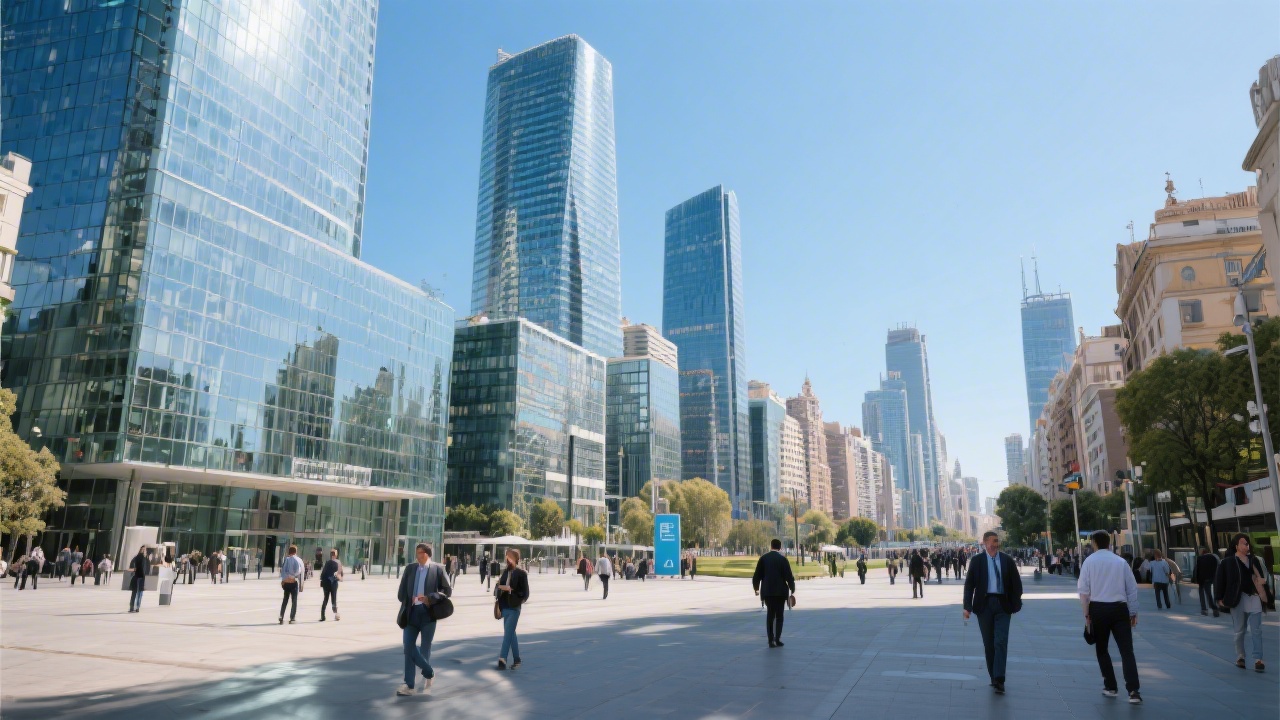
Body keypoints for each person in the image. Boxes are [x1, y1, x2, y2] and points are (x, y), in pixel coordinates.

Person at [1078, 530, 1142, 704]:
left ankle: (1111, 686)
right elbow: (1131, 589)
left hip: (1098, 609)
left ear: (1094, 543)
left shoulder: (1089, 562)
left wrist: (1086, 616)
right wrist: (1133, 611)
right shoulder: (1121, 562)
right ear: (1109, 543)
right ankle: (1133, 690)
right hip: (1120, 609)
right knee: (1126, 650)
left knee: (1102, 649)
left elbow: (1084, 592)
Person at [963, 531, 1023, 695]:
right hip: (984, 606)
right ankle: (993, 676)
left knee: (1001, 641)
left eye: (997, 541)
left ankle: (999, 678)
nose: (995, 544)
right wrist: (967, 606)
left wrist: (1015, 603)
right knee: (989, 644)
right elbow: (969, 586)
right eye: (992, 541)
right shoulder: (977, 561)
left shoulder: (1007, 561)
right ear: (984, 543)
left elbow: (1016, 584)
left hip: (1003, 606)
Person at [397, 542, 452, 696]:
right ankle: (419, 678)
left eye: (419, 552)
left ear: (426, 554)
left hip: (428, 614)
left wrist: (429, 598)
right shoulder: (410, 569)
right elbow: (401, 593)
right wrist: (408, 599)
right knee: (408, 646)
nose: (416, 555)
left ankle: (422, 678)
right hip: (411, 613)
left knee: (425, 647)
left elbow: (447, 591)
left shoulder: (437, 569)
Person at [1214, 533, 1269, 673]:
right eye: (1244, 543)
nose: (1247, 545)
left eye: (1247, 543)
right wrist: (1219, 597)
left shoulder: (1255, 560)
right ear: (1236, 545)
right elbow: (1220, 580)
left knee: (1256, 630)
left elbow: (1264, 577)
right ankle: (1240, 657)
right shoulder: (1228, 562)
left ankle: (1258, 659)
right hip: (1238, 599)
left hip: (1254, 597)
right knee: (1240, 631)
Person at [752, 539, 796, 648]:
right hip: (781, 592)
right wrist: (792, 588)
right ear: (780, 547)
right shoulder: (783, 560)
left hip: (768, 591)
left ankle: (770, 640)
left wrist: (756, 588)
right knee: (780, 616)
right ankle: (778, 638)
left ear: (770, 546)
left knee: (770, 615)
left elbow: (757, 575)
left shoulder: (763, 559)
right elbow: (789, 576)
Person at [495, 548, 530, 670]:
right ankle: (517, 659)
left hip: (514, 608)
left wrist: (513, 592)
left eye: (509, 557)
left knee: (507, 634)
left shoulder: (521, 573)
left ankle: (502, 659)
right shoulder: (505, 572)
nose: (507, 559)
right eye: (506, 557)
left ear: (515, 558)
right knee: (511, 634)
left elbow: (525, 593)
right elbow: (499, 586)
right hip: (505, 607)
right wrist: (499, 587)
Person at [278, 545, 304, 624]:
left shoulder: (287, 559)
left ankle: (281, 616)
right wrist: (300, 584)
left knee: (285, 600)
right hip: (294, 582)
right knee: (294, 600)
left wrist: (284, 579)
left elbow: (283, 571)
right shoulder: (298, 560)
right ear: (295, 551)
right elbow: (300, 571)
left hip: (287, 583)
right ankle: (292, 618)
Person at [1193, 547, 1220, 617]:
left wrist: (1196, 579)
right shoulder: (1213, 558)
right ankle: (1214, 608)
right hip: (1211, 578)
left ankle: (1204, 609)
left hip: (1202, 579)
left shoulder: (1200, 559)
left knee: (1201, 593)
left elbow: (1197, 570)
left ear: (1202, 552)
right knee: (1209, 594)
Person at [320, 548, 343, 622]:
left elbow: (323, 574)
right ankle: (336, 614)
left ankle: (323, 616)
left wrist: (322, 581)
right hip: (333, 584)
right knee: (334, 600)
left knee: (325, 599)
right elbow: (341, 575)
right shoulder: (338, 563)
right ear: (336, 555)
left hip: (326, 583)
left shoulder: (327, 562)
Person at [127, 546, 150, 612]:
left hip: (138, 576)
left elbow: (147, 569)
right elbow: (145, 569)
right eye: (142, 549)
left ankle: (134, 607)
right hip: (139, 577)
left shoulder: (140, 558)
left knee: (136, 592)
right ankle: (135, 607)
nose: (143, 551)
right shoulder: (142, 558)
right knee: (138, 593)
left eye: (144, 550)